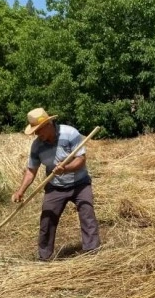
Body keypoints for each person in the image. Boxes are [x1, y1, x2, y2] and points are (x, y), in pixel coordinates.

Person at [14, 108, 100, 261]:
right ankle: (44, 256)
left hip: (80, 184)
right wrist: (20, 191)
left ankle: (92, 251)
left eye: (38, 130)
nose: (36, 134)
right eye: (34, 131)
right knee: (47, 219)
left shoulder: (70, 133)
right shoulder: (37, 146)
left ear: (48, 124)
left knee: (87, 214)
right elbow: (31, 170)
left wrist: (66, 169)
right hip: (55, 186)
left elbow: (81, 159)